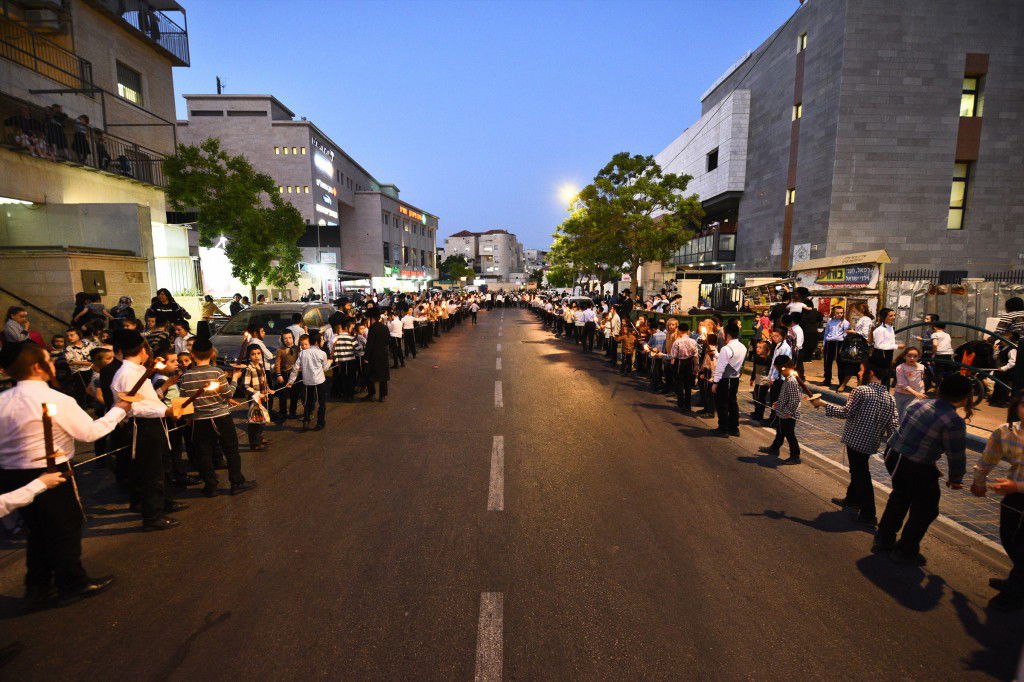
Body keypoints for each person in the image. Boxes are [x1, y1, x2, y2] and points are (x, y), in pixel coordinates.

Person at [0, 343, 129, 608]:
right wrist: (119, 410)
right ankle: (72, 582)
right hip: (51, 471)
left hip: (12, 475)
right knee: (64, 529)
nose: (52, 364)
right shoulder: (56, 399)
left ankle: (38, 586)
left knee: (37, 530)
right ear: (38, 367)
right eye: (48, 360)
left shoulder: (3, 400)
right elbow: (89, 433)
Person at [874, 374, 970, 565]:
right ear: (965, 397)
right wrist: (956, 478)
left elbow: (916, 438)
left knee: (900, 497)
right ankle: (905, 550)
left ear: (940, 389)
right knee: (926, 509)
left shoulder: (919, 404)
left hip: (894, 455)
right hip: (914, 465)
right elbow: (956, 455)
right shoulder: (953, 421)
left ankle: (884, 539)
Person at [110, 330, 183, 531]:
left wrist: (166, 409)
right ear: (142, 349)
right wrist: (165, 411)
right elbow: (133, 407)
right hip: (143, 426)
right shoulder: (126, 374)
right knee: (151, 472)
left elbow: (149, 399)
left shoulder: (139, 370)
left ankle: (162, 505)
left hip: (154, 423)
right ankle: (152, 516)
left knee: (160, 467)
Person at [813, 360, 899, 527]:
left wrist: (822, 404)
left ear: (870, 372)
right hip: (871, 443)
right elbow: (894, 425)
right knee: (858, 471)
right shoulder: (890, 398)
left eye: (861, 370)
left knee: (861, 475)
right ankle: (852, 500)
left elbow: (845, 412)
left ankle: (868, 514)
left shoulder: (861, 390)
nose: (858, 373)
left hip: (855, 440)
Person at [179, 338, 254, 496]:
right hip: (221, 417)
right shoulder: (217, 372)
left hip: (199, 420)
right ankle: (236, 482)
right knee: (231, 449)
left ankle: (211, 485)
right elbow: (228, 394)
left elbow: (184, 399)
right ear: (212, 353)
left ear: (193, 355)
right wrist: (235, 379)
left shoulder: (186, 376)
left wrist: (188, 418)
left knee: (204, 453)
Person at [971, 392, 1024, 612]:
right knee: (1009, 538)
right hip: (1014, 496)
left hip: (1016, 489)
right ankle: (1017, 579)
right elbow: (988, 458)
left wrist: (1017, 487)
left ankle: (1014, 593)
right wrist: (979, 482)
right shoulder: (1006, 431)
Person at [759, 356, 802, 464]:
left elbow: (794, 399)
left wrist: (788, 412)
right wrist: (779, 403)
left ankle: (795, 456)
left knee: (789, 434)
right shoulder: (788, 378)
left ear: (784, 368)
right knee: (780, 431)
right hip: (783, 411)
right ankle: (774, 448)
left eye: (780, 370)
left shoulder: (791, 381)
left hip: (788, 414)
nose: (780, 373)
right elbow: (786, 395)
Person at [287, 332, 331, 429]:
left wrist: (291, 381)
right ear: (317, 342)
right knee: (321, 403)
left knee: (308, 401)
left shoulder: (302, 353)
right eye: (321, 339)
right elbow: (325, 368)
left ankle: (306, 420)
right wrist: (330, 362)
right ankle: (320, 423)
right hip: (319, 381)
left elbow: (295, 368)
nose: (323, 341)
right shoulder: (322, 353)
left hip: (307, 381)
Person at [710, 322, 746, 437]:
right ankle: (734, 428)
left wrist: (715, 382)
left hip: (725, 379)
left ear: (728, 334)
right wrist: (716, 353)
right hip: (735, 379)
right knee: (732, 403)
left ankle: (723, 428)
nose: (722, 335)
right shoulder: (743, 347)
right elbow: (730, 361)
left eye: (723, 333)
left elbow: (720, 367)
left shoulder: (726, 348)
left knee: (722, 404)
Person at [241, 345, 271, 451]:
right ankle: (254, 444)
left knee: (262, 420)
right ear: (249, 356)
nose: (256, 356)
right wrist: (257, 394)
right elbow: (245, 386)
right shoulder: (249, 369)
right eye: (253, 354)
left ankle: (259, 438)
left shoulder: (261, 366)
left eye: (258, 353)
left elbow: (263, 381)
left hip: (263, 397)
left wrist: (268, 389)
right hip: (254, 399)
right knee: (255, 422)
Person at [363, 310, 391, 403]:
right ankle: (383, 396)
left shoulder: (372, 328)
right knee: (383, 376)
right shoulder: (385, 327)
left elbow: (369, 344)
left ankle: (371, 394)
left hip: (373, 355)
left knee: (370, 375)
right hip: (383, 353)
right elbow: (388, 340)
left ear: (372, 319)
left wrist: (366, 357)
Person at [870, 308, 903, 383]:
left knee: (887, 376)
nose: (894, 317)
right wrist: (896, 346)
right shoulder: (880, 330)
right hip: (881, 355)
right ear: (884, 317)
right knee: (881, 376)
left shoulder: (890, 328)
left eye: (894, 315)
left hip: (888, 354)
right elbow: (879, 346)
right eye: (891, 316)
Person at [894, 348, 927, 419]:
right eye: (909, 356)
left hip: (914, 396)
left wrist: (921, 392)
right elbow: (902, 384)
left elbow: (921, 381)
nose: (912, 358)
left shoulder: (921, 367)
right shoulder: (900, 368)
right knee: (896, 415)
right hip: (900, 395)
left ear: (918, 357)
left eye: (915, 356)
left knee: (906, 415)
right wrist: (916, 393)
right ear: (904, 356)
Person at [331, 320, 360, 401]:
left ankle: (345, 394)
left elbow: (334, 351)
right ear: (346, 328)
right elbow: (358, 349)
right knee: (351, 377)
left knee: (343, 377)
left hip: (341, 362)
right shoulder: (351, 338)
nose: (351, 329)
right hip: (351, 361)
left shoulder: (336, 338)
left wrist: (337, 360)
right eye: (351, 328)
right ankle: (351, 395)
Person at [273, 330, 300, 419]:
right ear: (282, 340)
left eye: (290, 338)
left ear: (293, 338)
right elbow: (277, 363)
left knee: (294, 395)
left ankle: (293, 412)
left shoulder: (298, 349)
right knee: (283, 395)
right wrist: (278, 374)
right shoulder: (280, 350)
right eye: (285, 338)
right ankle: (283, 412)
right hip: (284, 374)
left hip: (295, 375)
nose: (288, 340)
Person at [821, 306, 849, 387]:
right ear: (834, 313)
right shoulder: (830, 321)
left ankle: (841, 383)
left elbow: (846, 334)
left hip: (839, 344)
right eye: (837, 313)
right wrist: (824, 344)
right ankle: (827, 380)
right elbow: (826, 333)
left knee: (840, 364)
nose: (840, 314)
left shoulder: (845, 322)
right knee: (827, 363)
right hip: (829, 343)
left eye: (841, 313)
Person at [750, 340, 773, 422]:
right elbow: (754, 369)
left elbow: (771, 371)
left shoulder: (769, 360)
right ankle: (756, 411)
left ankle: (759, 414)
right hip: (757, 380)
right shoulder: (757, 358)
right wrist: (752, 378)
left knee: (761, 398)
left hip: (764, 382)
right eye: (757, 347)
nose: (757, 349)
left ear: (766, 350)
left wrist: (771, 380)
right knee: (755, 396)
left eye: (760, 348)